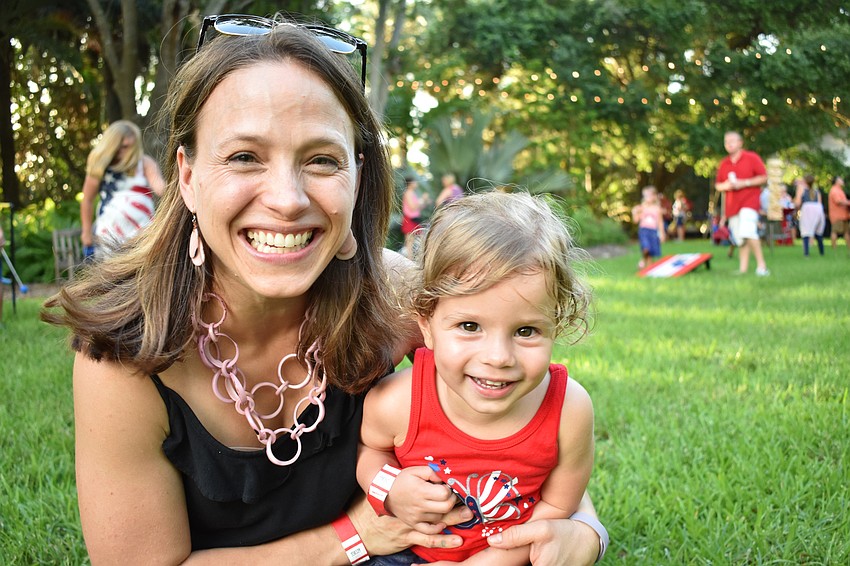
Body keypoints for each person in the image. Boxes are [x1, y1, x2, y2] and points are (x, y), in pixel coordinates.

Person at [41, 13, 603, 564]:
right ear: (187, 175)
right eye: (244, 157)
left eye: (321, 160)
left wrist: (583, 530)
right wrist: (357, 535)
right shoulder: (123, 351)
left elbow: (526, 429)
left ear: (357, 178)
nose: (287, 199)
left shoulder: (402, 296)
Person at [358, 191, 604, 566]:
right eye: (469, 326)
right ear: (426, 325)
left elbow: (558, 507)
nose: (498, 358)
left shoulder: (569, 409)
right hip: (409, 553)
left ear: (556, 323)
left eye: (526, 331)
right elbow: (368, 451)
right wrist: (389, 489)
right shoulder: (398, 401)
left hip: (511, 557)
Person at [80, 120, 165, 256]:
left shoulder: (144, 163)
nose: (124, 152)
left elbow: (160, 187)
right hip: (109, 234)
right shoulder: (101, 168)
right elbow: (87, 200)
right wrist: (86, 233)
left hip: (142, 232)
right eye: (120, 147)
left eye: (128, 147)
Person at [715, 131, 769, 276]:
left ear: (740, 142)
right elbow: (718, 185)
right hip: (732, 206)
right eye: (726, 141)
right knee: (740, 238)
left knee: (748, 231)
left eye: (732, 140)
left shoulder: (752, 158)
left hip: (750, 202)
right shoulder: (724, 163)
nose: (729, 144)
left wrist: (744, 183)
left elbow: (764, 177)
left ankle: (762, 266)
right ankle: (743, 269)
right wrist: (726, 185)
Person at [632, 185, 665, 268]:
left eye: (649, 195)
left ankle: (649, 269)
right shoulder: (642, 207)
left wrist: (662, 234)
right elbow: (635, 220)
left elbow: (660, 222)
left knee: (651, 252)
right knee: (646, 248)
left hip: (653, 231)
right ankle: (643, 260)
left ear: (654, 196)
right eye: (645, 196)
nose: (647, 197)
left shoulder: (657, 209)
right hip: (644, 231)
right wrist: (634, 212)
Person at [794, 175, 825, 257]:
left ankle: (806, 253)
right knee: (818, 232)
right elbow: (820, 203)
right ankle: (822, 252)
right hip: (818, 210)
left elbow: (797, 202)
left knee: (806, 231)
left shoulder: (801, 189)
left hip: (807, 210)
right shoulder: (816, 191)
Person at [401, 176, 430, 258]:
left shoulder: (412, 193)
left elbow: (417, 208)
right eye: (414, 182)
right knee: (410, 242)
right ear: (410, 184)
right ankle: (409, 260)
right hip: (410, 219)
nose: (416, 183)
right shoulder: (408, 193)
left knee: (418, 239)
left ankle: (413, 259)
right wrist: (422, 199)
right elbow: (412, 207)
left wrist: (424, 202)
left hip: (414, 219)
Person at [827, 176, 850, 252]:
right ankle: (834, 249)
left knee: (846, 232)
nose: (842, 180)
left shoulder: (840, 190)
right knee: (835, 231)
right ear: (836, 181)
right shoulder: (834, 190)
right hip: (837, 215)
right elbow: (838, 201)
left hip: (844, 215)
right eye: (840, 179)